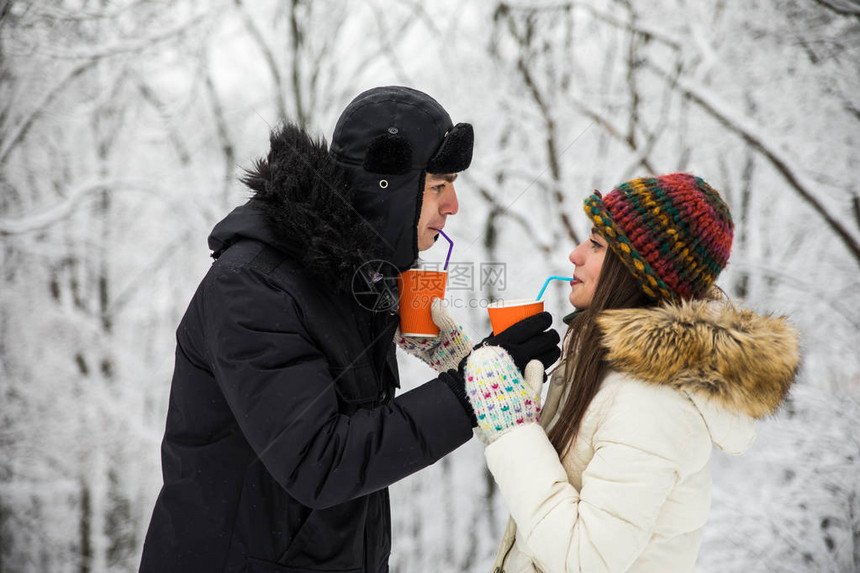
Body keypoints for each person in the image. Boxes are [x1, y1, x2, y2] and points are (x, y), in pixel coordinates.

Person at [138, 86, 561, 572]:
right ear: (388, 185)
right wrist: (470, 389)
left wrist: (461, 360)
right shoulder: (253, 288)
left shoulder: (349, 277)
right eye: (440, 186)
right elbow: (319, 460)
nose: (454, 206)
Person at [461, 173, 801, 572]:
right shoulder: (604, 366)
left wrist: (513, 430)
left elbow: (582, 559)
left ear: (636, 271)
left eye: (596, 244)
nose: (575, 254)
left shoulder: (652, 401)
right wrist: (463, 370)